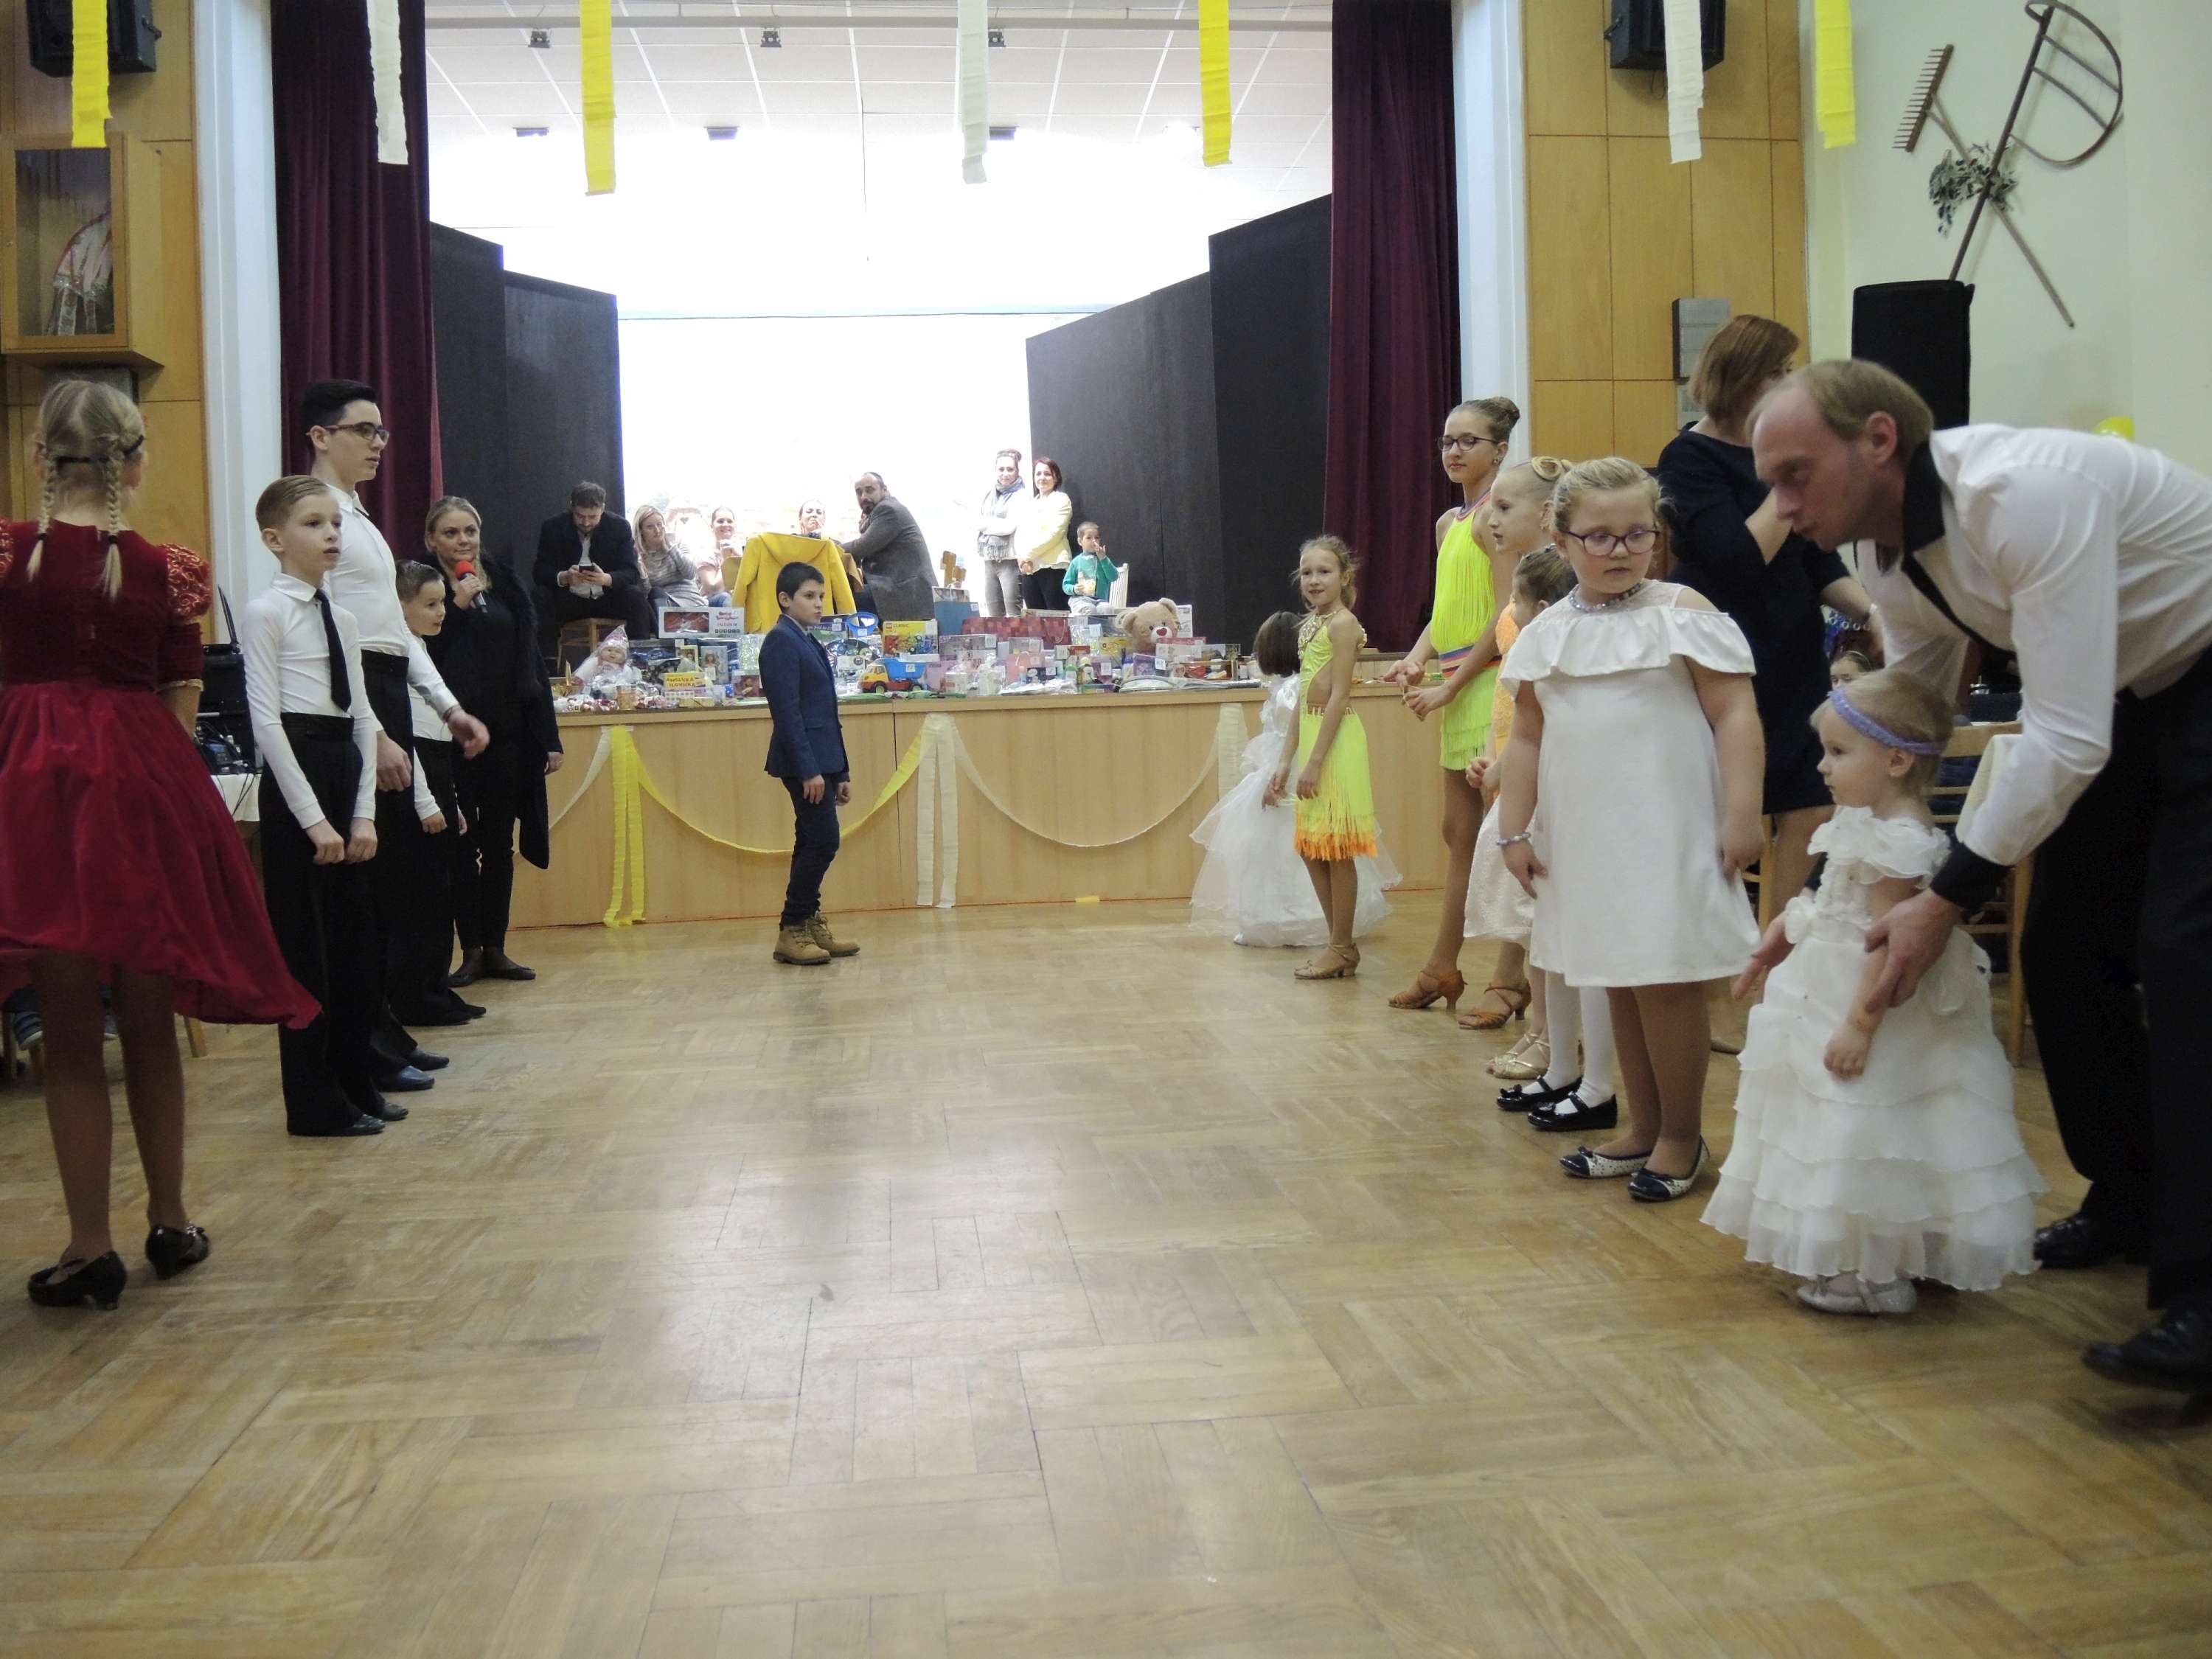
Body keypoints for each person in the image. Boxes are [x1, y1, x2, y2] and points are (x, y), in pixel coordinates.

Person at [1747, 358, 2212, 1388]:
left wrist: (1945, 896)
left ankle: (2203, 1300)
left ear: (1878, 440)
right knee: (2064, 950)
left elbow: (2066, 736)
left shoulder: (2026, 496)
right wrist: (1837, 882)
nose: (1780, 505)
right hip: (2130, 697)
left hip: (2195, 669)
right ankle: (2130, 1201)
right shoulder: (1880, 550)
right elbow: (1916, 707)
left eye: (1794, 474)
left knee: (2188, 966)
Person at [1, 383, 316, 1307]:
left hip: (30, 790)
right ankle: (171, 1221)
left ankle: (88, 1245)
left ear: (39, 459)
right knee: (149, 1015)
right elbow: (182, 699)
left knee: (68, 1031)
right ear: (134, 466)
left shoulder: (7, 556)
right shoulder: (171, 570)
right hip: (140, 789)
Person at [1705, 667, 2043, 1314]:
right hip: (1828, 982)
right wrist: (1785, 926)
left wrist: (1860, 1025)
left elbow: (1886, 945)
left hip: (1868, 1001)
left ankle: (1873, 1274)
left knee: (1869, 1125)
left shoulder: (1899, 840)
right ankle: (1906, 1254)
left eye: (1838, 752)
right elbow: (1830, 894)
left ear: (1895, 760)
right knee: (1867, 1125)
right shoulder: (1861, 820)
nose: (1823, 767)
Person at [1498, 456, 1763, 1202]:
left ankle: (1682, 1135)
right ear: (1561, 540)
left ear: (1656, 534)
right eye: (1599, 537)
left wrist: (1742, 813)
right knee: (1616, 978)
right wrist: (1514, 832)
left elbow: (1735, 714)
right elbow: (1527, 736)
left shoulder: (1684, 612)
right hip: (1587, 833)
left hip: (1668, 828)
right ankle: (1643, 1127)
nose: (1619, 550)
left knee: (1665, 980)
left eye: (1636, 534)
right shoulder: (1548, 631)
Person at [305, 379, 487, 1093]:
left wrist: (447, 708)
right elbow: (331, 635)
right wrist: (375, 731)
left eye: (381, 432)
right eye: (364, 430)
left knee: (394, 886)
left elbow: (393, 633)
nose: (378, 443)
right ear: (321, 436)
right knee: (372, 889)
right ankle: (367, 1040)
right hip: (356, 700)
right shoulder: (317, 515)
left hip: (383, 689)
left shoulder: (360, 519)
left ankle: (384, 1031)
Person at [1658, 318, 1873, 911]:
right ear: (1738, 375)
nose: (1788, 383)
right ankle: (1716, 945)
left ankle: (1780, 948)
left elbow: (1817, 559)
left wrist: (1872, 614)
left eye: (1789, 370)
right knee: (1728, 812)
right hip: (1723, 658)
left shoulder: (1778, 458)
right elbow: (1740, 558)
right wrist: (1789, 480)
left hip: (1793, 652)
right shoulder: (1688, 456)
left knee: (1813, 804)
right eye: (1775, 371)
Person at [242, 476, 393, 1141]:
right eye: (313, 523)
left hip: (342, 771)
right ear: (274, 539)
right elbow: (267, 724)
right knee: (308, 953)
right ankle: (313, 1102)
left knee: (357, 947)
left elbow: (362, 719)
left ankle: (356, 1082)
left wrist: (362, 815)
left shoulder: (345, 618)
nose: (331, 534)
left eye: (335, 523)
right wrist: (314, 820)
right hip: (298, 776)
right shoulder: (266, 612)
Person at [1381, 397, 1522, 1026]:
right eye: (1447, 441)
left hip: (1491, 688)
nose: (1455, 451)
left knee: (1510, 832)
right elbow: (1446, 614)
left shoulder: (1500, 517)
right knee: (1459, 833)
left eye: (1469, 441)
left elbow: (1506, 614)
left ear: (1500, 450)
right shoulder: (1449, 523)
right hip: (1460, 689)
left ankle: (1511, 977)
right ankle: (1443, 965)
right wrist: (1417, 661)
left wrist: (1451, 685)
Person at [1191, 611, 1398, 947]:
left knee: (1292, 849)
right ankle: (1312, 921)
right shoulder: (1288, 686)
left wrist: (1278, 774)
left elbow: (1293, 733)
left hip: (1289, 771)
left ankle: (1301, 919)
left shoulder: (1292, 691)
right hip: (1283, 766)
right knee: (1287, 850)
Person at [422, 497, 563, 987]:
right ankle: (471, 950)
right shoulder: (424, 587)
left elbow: (531, 662)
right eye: (450, 533)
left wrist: (548, 736)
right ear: (431, 540)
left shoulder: (503, 582)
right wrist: (457, 608)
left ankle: (498, 947)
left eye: (470, 531)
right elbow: (422, 657)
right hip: (450, 734)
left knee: (500, 843)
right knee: (461, 844)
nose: (463, 541)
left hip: (508, 732)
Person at [1464, 543, 1575, 1082]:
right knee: (1537, 933)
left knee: (1546, 928)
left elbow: (1542, 726)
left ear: (1544, 607)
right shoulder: (1530, 649)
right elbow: (1518, 726)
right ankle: (1541, 1028)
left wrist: (1504, 771)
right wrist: (1497, 764)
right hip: (1526, 787)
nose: (1509, 609)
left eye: (1516, 599)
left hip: (1547, 797)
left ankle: (1553, 1035)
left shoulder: (1553, 656)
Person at [1267, 536, 1377, 981]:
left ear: (1344, 577)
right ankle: (1340, 944)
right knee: (1312, 848)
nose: (1314, 580)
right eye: (1308, 572)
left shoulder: (1343, 625)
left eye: (1325, 572)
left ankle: (1341, 946)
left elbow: (1339, 696)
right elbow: (1302, 699)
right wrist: (1285, 760)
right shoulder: (1311, 623)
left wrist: (1314, 763)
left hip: (1336, 743)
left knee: (1336, 848)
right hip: (1313, 735)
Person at [389, 563, 479, 1029]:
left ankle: (435, 986)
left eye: (442, 602)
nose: (441, 612)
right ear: (398, 606)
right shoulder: (397, 652)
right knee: (422, 895)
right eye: (430, 604)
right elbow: (405, 736)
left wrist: (452, 801)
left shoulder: (419, 647)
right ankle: (417, 995)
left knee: (442, 891)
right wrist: (426, 801)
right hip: (417, 775)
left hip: (436, 769)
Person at [759, 563, 860, 967]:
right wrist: (809, 770)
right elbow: (788, 714)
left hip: (824, 759)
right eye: (809, 596)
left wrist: (841, 770)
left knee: (811, 841)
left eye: (821, 596)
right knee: (823, 841)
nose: (819, 604)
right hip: (803, 763)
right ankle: (792, 927)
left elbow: (827, 712)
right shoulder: (780, 642)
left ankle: (808, 921)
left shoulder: (808, 639)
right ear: (785, 599)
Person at [534, 481, 653, 658]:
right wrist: (564, 577)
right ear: (572, 508)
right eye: (580, 516)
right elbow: (540, 571)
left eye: (593, 516)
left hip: (608, 599)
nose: (586, 522)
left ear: (602, 509)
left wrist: (607, 579)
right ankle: (548, 664)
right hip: (569, 601)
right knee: (540, 596)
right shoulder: (553, 527)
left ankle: (640, 659)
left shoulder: (619, 527)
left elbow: (631, 572)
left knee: (635, 597)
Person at [839, 473, 935, 622]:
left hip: (908, 593)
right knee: (845, 594)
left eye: (870, 490)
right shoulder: (879, 511)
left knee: (840, 597)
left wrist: (832, 547)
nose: (864, 496)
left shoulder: (888, 510)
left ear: (884, 490)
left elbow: (861, 547)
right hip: (901, 588)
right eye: (859, 492)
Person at [1017, 457, 1074, 613]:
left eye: (1047, 474)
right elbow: (1020, 534)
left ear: (1056, 478)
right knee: (1034, 619)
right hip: (1030, 568)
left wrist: (1027, 556)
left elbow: (1055, 534)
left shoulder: (1062, 500)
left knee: (1057, 617)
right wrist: (1022, 560)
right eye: (1038, 474)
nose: (1042, 478)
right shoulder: (1029, 504)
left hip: (1053, 566)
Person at [976, 449, 1026, 617]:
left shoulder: (1021, 495)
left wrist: (984, 524)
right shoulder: (989, 494)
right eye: (1001, 469)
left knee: (1013, 617)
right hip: (989, 560)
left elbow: (1008, 527)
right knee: (994, 617)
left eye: (1010, 469)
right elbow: (974, 521)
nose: (1005, 474)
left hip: (1010, 561)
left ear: (1017, 471)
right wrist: (985, 524)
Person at [635, 504, 706, 611]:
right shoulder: (638, 555)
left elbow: (690, 573)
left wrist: (670, 547)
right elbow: (645, 593)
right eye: (650, 527)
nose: (657, 530)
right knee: (655, 592)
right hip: (662, 602)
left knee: (724, 597)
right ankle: (665, 620)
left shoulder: (677, 543)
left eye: (659, 524)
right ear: (641, 531)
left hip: (690, 600)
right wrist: (642, 574)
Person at [1063, 522, 1118, 616]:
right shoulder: (1076, 562)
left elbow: (1113, 577)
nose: (1094, 541)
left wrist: (1103, 558)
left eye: (1097, 538)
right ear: (1080, 541)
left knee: (1107, 609)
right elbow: (1066, 585)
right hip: (1080, 599)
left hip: (1100, 600)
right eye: (1089, 538)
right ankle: (1087, 626)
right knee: (1089, 609)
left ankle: (1101, 626)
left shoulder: (1103, 560)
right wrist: (1074, 588)